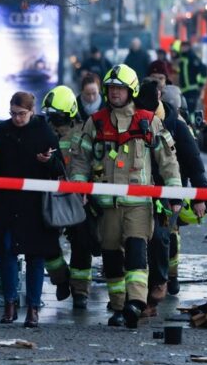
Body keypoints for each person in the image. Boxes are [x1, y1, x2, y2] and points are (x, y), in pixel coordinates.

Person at [70, 64, 182, 328]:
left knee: (136, 252)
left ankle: (136, 302)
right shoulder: (96, 122)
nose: (115, 93)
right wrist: (79, 188)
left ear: (131, 90)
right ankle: (119, 307)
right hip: (107, 205)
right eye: (111, 88)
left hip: (138, 204)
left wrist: (175, 194)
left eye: (120, 88)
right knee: (111, 257)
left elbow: (168, 160)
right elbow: (80, 160)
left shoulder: (148, 121)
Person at [0, 91, 63, 328]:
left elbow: (60, 168)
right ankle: (10, 305)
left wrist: (48, 161)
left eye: (21, 114)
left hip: (35, 205)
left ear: (31, 111)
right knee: (7, 253)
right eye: (13, 113)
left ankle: (33, 309)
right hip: (6, 203)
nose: (17, 118)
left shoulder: (44, 132)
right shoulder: (4, 131)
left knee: (35, 256)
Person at [134, 78, 207, 313]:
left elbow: (193, 161)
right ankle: (135, 296)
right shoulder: (133, 120)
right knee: (137, 242)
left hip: (168, 193)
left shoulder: (176, 125)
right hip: (137, 190)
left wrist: (201, 196)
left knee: (160, 238)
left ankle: (160, 284)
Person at [40, 85, 99, 309]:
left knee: (82, 242)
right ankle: (61, 278)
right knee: (46, 243)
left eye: (58, 116)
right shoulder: (44, 132)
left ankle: (80, 290)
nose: (54, 121)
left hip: (77, 196)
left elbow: (88, 162)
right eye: (51, 116)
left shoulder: (83, 132)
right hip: (49, 195)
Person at [177, 41, 207, 114]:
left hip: (192, 89)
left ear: (189, 47)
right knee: (185, 110)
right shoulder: (182, 58)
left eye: (185, 46)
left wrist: (201, 84)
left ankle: (192, 124)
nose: (183, 48)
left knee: (191, 111)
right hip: (184, 90)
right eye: (182, 47)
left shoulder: (192, 57)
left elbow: (203, 69)